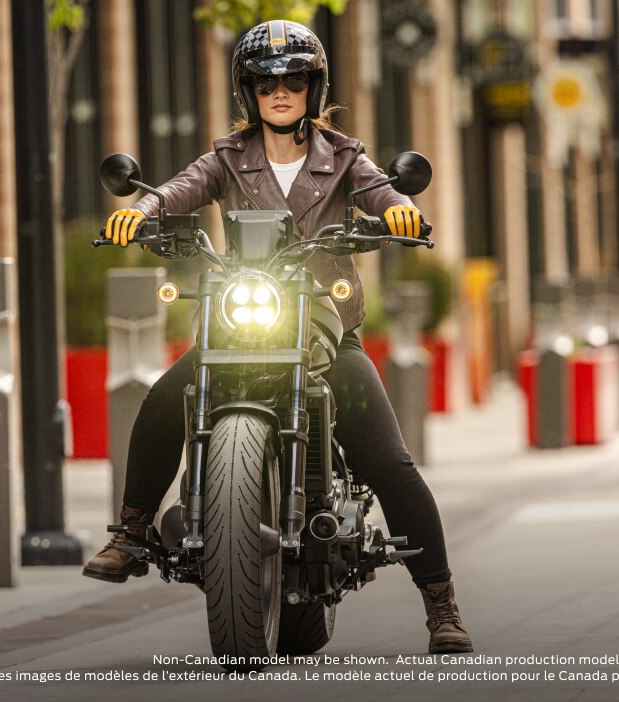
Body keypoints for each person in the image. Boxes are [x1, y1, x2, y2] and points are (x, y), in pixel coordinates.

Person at [80, 20, 472, 655]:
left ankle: (441, 604)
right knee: (161, 402)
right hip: (240, 321)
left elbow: (379, 192)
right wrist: (140, 210)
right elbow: (181, 188)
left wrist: (399, 209)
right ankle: (129, 533)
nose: (280, 91)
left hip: (321, 328)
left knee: (389, 461)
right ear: (249, 93)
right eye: (267, 82)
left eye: (294, 80)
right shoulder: (227, 159)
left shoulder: (344, 157)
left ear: (314, 89)